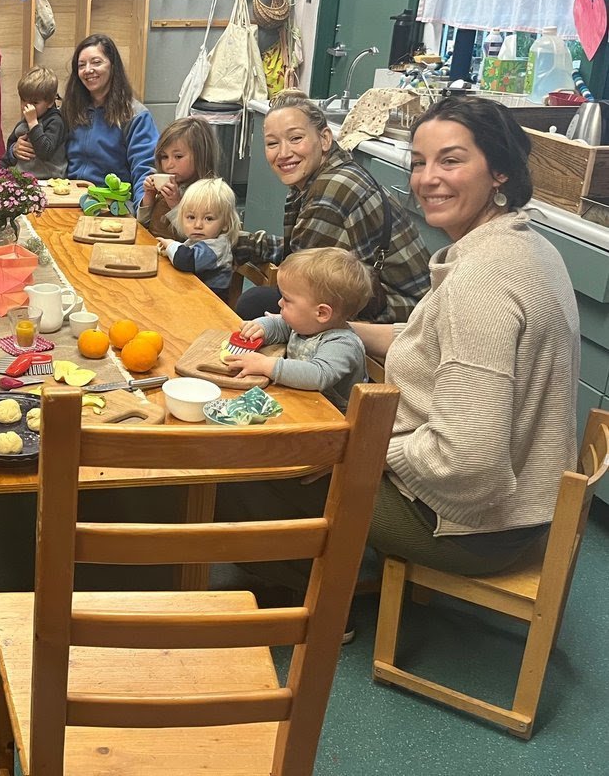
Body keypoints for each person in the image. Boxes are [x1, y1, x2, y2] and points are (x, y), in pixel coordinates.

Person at [219, 96, 580, 597]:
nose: (427, 177)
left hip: (469, 524)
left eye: (451, 160)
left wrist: (352, 452)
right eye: (418, 162)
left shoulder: (482, 283)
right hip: (521, 502)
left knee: (252, 460)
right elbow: (423, 339)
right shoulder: (522, 245)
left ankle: (313, 603)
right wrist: (338, 329)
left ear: (499, 170)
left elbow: (466, 458)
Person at [234, 93, 430, 323]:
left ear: (325, 139)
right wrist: (239, 242)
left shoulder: (332, 189)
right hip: (392, 298)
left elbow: (301, 278)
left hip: (404, 314)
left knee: (255, 304)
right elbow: (304, 252)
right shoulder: (329, 174)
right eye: (272, 143)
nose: (284, 152)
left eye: (296, 138)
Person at [226, 247, 370, 411]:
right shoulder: (307, 325)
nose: (279, 303)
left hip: (330, 420)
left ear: (321, 313)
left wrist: (266, 365)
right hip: (300, 402)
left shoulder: (342, 344)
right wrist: (261, 327)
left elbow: (318, 375)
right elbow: (281, 325)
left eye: (287, 299)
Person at [14, 34, 156, 198]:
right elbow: (42, 144)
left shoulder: (136, 116)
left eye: (96, 62)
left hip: (112, 202)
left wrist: (142, 211)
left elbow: (144, 170)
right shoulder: (68, 110)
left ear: (112, 65)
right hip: (67, 197)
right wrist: (15, 150)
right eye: (82, 65)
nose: (88, 70)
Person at [138, 116, 219, 239]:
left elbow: (193, 238)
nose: (169, 165)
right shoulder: (167, 184)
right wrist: (148, 196)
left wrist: (175, 205)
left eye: (178, 156)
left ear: (201, 156)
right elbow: (142, 225)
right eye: (164, 157)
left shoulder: (207, 194)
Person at [155, 178, 239, 297]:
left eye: (208, 219)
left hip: (210, 304)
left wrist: (170, 245)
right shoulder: (200, 239)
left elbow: (185, 260)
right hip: (192, 293)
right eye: (191, 217)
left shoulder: (217, 247)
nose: (198, 225)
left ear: (225, 224)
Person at [0, 66, 67, 179]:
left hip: (48, 180)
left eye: (35, 102)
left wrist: (33, 124)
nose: (27, 106)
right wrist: (12, 153)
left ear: (50, 102)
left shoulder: (55, 121)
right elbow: (9, 152)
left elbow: (45, 151)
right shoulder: (23, 123)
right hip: (22, 178)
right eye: (23, 100)